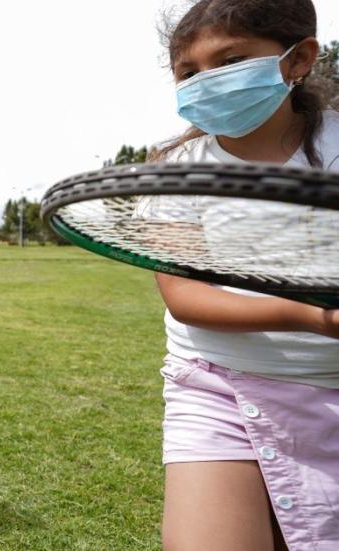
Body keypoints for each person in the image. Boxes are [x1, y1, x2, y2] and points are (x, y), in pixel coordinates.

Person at [148, 1, 339, 548]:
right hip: (215, 384)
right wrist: (311, 317)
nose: (207, 82)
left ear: (297, 59)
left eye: (230, 61)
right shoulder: (174, 172)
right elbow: (184, 296)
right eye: (189, 72)